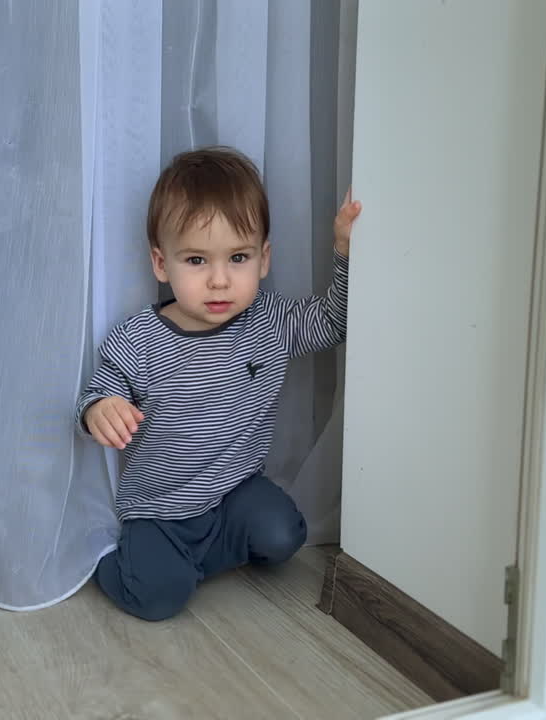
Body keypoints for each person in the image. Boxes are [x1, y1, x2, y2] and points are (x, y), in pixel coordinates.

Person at [76, 146, 362, 621]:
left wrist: (344, 253)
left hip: (234, 492)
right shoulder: (139, 338)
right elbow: (98, 391)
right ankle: (112, 564)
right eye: (196, 261)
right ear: (161, 264)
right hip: (159, 510)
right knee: (158, 599)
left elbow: (333, 323)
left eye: (238, 257)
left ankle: (191, 563)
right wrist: (100, 408)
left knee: (284, 534)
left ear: (264, 259)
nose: (219, 280)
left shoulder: (269, 322)